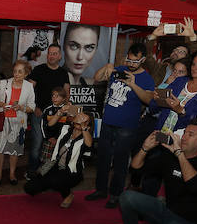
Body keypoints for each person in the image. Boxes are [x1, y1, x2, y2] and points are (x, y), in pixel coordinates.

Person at [86, 42, 155, 208]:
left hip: (127, 126)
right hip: (108, 122)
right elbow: (96, 78)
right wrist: (108, 66)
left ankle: (116, 194)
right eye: (129, 60)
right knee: (102, 158)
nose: (130, 64)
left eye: (135, 61)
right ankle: (101, 189)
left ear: (143, 60)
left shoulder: (146, 78)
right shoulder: (119, 69)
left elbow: (149, 100)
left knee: (120, 161)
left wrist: (133, 84)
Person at [25, 111, 93, 208]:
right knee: (29, 188)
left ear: (88, 126)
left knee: (55, 181)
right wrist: (60, 112)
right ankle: (51, 183)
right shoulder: (66, 130)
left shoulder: (85, 138)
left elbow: (89, 144)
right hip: (56, 165)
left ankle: (68, 195)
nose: (80, 119)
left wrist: (84, 127)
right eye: (80, 117)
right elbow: (50, 125)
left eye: (84, 119)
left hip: (72, 171)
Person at [0, 60, 36, 185]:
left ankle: (12, 174)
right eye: (15, 71)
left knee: (15, 150)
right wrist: (3, 104)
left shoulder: (29, 87)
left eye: (20, 72)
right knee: (0, 148)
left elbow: (32, 107)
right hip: (3, 120)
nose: (16, 74)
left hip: (18, 123)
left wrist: (21, 107)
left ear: (26, 74)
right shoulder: (4, 83)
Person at [27, 43, 70, 176]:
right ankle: (32, 171)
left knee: (56, 143)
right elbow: (28, 90)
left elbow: (66, 94)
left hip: (57, 115)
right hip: (39, 113)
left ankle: (49, 172)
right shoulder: (38, 70)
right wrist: (34, 107)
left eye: (55, 53)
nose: (51, 56)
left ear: (60, 56)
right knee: (37, 143)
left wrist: (64, 111)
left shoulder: (63, 73)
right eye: (50, 53)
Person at [62, 24, 103, 117]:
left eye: (89, 47)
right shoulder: (57, 77)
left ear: (96, 49)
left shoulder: (88, 82)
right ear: (64, 45)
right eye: (74, 46)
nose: (80, 57)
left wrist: (109, 66)